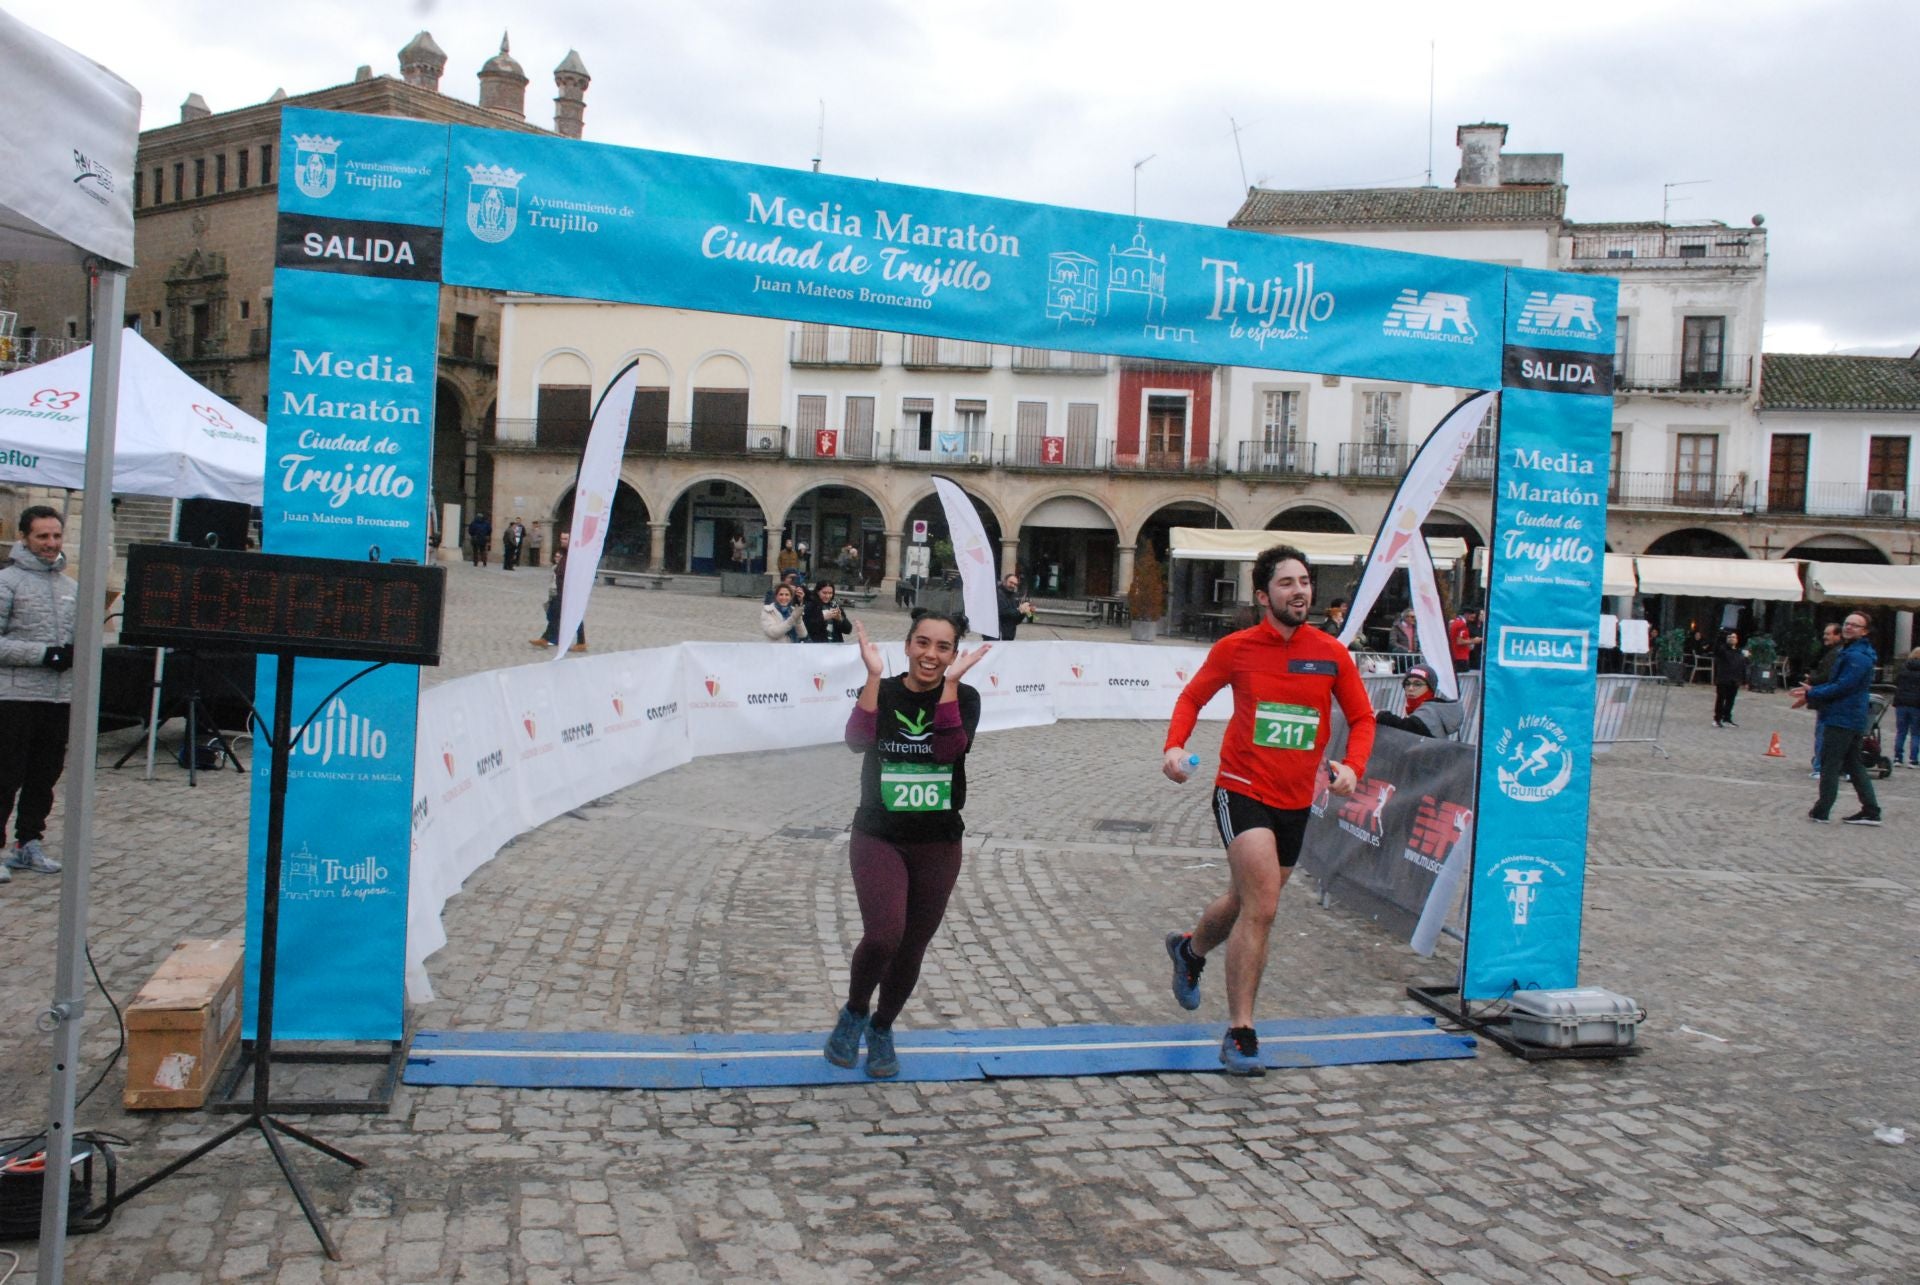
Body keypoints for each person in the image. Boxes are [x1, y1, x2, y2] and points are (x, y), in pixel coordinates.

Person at [1159, 544, 1376, 1074]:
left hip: (1296, 799)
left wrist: (1353, 767)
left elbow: (1364, 717)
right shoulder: (1237, 648)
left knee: (1244, 897)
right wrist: (1173, 746)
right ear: (1263, 595)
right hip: (1241, 788)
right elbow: (1192, 698)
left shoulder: (1330, 652)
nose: (1299, 590)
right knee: (1264, 906)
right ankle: (1241, 1031)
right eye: (1286, 583)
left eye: (1304, 581)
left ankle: (1190, 951)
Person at [823, 612, 988, 1078]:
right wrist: (873, 676)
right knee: (884, 934)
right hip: (879, 834)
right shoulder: (886, 689)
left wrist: (951, 687)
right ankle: (855, 1011)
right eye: (922, 643)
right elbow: (857, 741)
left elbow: (947, 751)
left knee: (912, 946)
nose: (930, 656)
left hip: (938, 842)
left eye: (942, 647)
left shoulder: (966, 697)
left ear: (954, 654)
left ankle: (882, 1026)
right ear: (908, 644)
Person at [0, 507, 77, 878]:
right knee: (5, 774)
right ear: (25, 538)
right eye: (42, 536)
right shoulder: (7, 582)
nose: (51, 544)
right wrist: (42, 654)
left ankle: (28, 842)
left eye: (56, 536)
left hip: (58, 698)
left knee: (44, 776)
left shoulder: (71, 588)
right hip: (15, 697)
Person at [1792, 610, 1881, 825]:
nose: (1849, 627)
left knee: (1830, 763)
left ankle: (1822, 810)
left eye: (1855, 625)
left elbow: (1843, 686)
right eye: (1847, 623)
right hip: (1848, 715)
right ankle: (1871, 810)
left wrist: (1812, 693)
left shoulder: (1856, 656)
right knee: (1853, 764)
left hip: (1843, 716)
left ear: (1865, 631)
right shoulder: (1852, 652)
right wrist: (1814, 690)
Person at [1372, 663, 1463, 740]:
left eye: (1417, 684)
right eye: (1407, 684)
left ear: (1430, 688)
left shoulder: (1431, 710)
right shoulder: (1427, 709)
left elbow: (1412, 727)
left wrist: (1382, 717)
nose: (1411, 688)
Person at [530, 530, 586, 651]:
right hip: (561, 590)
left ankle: (581, 642)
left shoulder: (574, 554)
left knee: (573, 615)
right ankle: (546, 638)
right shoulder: (564, 553)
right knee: (555, 614)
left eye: (565, 539)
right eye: (562, 539)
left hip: (569, 590)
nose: (563, 541)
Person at [1805, 622, 1843, 776]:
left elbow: (1827, 676)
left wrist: (1812, 679)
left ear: (1838, 635)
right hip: (1827, 698)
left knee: (1823, 733)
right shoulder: (1833, 652)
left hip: (1828, 699)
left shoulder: (1836, 653)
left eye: (1828, 634)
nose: (1825, 637)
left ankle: (1820, 767)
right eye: (1825, 634)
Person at [1712, 631, 1749, 728]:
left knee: (1730, 700)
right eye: (1729, 637)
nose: (1731, 639)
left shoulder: (1739, 652)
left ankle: (1727, 718)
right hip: (1723, 679)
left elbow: (1743, 666)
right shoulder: (1722, 650)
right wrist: (1720, 636)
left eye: (1733, 637)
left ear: (1737, 640)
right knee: (1721, 699)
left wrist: (1744, 680)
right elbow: (1716, 649)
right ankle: (1717, 719)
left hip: (1735, 680)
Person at [1893, 648, 1920, 768]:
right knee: (1915, 733)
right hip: (1917, 704)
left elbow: (1896, 682)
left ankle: (1897, 758)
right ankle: (1913, 759)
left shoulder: (1904, 668)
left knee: (1901, 732)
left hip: (1901, 703)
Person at [995, 572, 1033, 641]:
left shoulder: (1012, 596)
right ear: (1004, 582)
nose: (1013, 585)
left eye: (1015, 584)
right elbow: (1002, 612)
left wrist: (1024, 612)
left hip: (1008, 635)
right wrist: (1019, 610)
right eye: (1011, 582)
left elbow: (1015, 620)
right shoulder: (997, 593)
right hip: (997, 635)